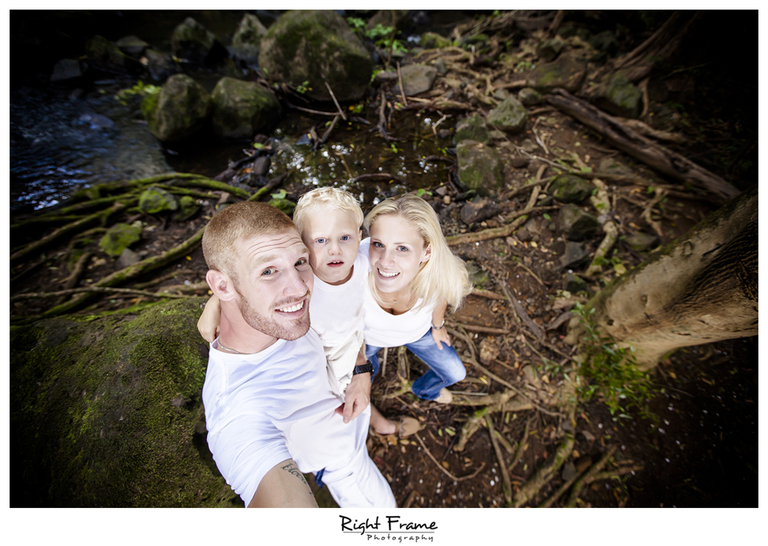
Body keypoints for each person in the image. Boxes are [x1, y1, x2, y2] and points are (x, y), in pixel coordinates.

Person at [200, 200, 396, 508]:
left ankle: (376, 420)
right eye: (268, 271)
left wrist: (361, 370)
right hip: (344, 465)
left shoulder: (291, 301)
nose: (300, 288)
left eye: (300, 262)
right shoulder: (238, 412)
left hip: (348, 402)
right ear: (222, 285)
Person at [199, 188, 420, 437]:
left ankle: (373, 421)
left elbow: (405, 254)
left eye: (345, 238)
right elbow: (248, 287)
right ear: (301, 245)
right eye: (320, 241)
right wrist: (215, 303)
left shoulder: (364, 257)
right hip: (316, 351)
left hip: (352, 340)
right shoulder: (301, 279)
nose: (335, 250)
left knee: (353, 388)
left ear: (359, 238)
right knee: (336, 402)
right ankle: (375, 426)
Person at [362, 194, 472, 435]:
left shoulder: (437, 273)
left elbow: (441, 295)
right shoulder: (353, 266)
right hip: (366, 341)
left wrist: (437, 325)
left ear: (426, 252)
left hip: (417, 333)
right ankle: (368, 412)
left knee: (456, 372)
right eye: (378, 244)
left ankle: (425, 390)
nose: (385, 261)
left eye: (402, 248)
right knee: (358, 384)